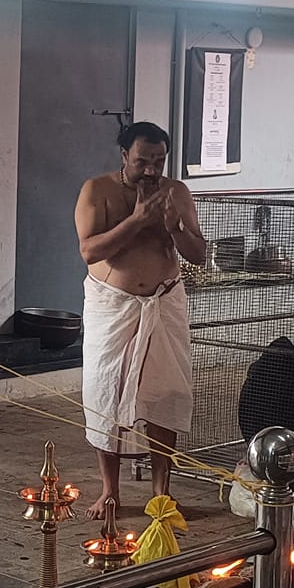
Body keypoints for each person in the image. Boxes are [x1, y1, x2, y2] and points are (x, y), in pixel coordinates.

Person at [74, 121, 207, 521]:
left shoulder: (176, 193)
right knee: (106, 392)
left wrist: (172, 228)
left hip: (164, 302)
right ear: (123, 156)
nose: (151, 170)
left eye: (159, 161)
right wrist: (135, 220)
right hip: (113, 305)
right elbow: (89, 251)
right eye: (142, 161)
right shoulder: (96, 191)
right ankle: (110, 490)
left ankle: (161, 493)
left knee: (166, 394)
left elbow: (198, 254)